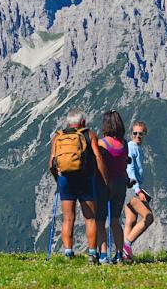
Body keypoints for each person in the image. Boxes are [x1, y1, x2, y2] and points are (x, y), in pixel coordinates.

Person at [49, 109, 108, 264]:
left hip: (65, 180)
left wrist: (58, 180)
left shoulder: (58, 137)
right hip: (85, 180)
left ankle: (68, 253)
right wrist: (103, 179)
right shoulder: (89, 135)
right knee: (90, 218)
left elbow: (51, 164)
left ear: (69, 122)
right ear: (83, 122)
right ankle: (92, 254)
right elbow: (98, 157)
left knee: (68, 218)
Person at [95, 110, 129, 264]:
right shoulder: (125, 143)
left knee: (100, 220)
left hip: (105, 183)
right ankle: (120, 254)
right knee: (115, 220)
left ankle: (103, 254)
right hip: (121, 184)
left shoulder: (102, 143)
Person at [123, 121, 154, 261]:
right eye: (135, 133)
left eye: (140, 134)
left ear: (145, 134)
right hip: (132, 188)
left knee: (131, 220)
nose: (137, 136)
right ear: (131, 133)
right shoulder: (131, 147)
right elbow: (130, 169)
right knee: (148, 217)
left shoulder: (137, 148)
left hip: (128, 188)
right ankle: (126, 244)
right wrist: (138, 190)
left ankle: (124, 255)